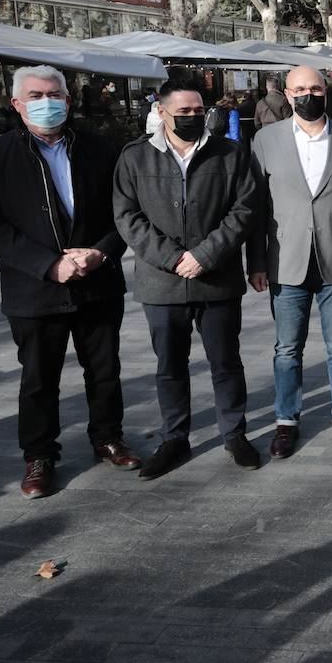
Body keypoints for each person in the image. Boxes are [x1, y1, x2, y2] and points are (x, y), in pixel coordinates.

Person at [0, 65, 138, 499]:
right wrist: (48, 265)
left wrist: (102, 251)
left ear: (68, 98)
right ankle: (39, 456)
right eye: (37, 95)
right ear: (17, 104)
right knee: (39, 379)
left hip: (97, 282)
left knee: (104, 371)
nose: (48, 102)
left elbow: (126, 214)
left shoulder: (101, 150)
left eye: (55, 94)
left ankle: (108, 438)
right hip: (34, 289)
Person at [113, 79, 261, 480]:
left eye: (199, 110)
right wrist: (174, 258)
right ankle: (174, 437)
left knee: (226, 362)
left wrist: (205, 255)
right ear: (161, 113)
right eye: (185, 112)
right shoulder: (134, 158)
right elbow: (127, 217)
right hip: (161, 283)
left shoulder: (230, 154)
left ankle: (234, 434)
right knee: (170, 366)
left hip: (216, 280)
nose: (195, 117)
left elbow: (245, 210)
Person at [247, 66, 332, 458]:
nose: (308, 95)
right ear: (287, 95)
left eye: (315, 88)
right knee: (287, 349)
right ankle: (286, 421)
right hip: (285, 260)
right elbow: (255, 208)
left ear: (326, 92)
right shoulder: (265, 139)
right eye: (300, 89)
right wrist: (255, 261)